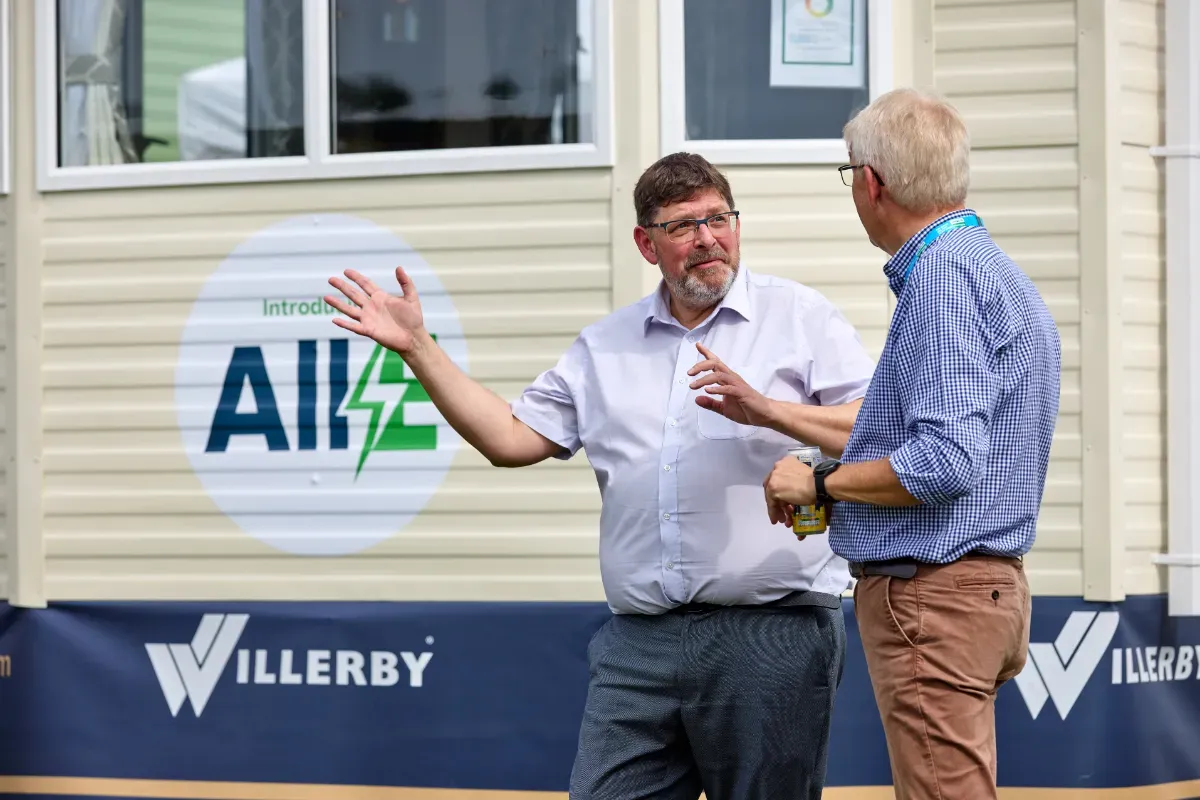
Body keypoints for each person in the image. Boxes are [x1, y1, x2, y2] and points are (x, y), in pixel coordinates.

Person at [324, 152, 876, 800]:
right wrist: (420, 349)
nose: (706, 238)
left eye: (717, 219)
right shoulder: (605, 346)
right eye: (682, 226)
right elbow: (510, 438)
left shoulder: (802, 320)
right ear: (647, 243)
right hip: (639, 645)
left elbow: (875, 426)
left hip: (770, 633)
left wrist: (769, 410)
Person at [762, 88, 1062, 799]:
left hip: (936, 592)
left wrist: (823, 486)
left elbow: (945, 464)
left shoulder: (942, 280)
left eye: (849, 176)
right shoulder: (992, 272)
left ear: (872, 183)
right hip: (978, 585)